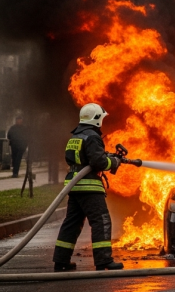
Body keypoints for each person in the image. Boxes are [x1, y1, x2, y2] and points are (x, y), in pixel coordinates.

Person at [53, 103, 124, 271]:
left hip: (75, 187)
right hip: (89, 187)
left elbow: (82, 158)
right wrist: (113, 161)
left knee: (72, 223)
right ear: (97, 119)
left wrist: (104, 155)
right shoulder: (93, 136)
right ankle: (104, 260)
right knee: (101, 221)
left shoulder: (76, 136)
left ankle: (61, 261)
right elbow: (97, 162)